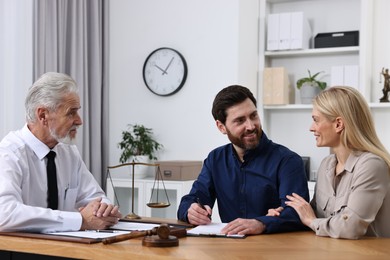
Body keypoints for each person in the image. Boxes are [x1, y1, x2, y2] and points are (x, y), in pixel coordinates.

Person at [177, 85, 309, 235]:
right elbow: (193, 198)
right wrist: (190, 210)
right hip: (228, 249)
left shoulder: (288, 161)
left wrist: (262, 223)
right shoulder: (215, 159)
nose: (251, 126)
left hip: (275, 250)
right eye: (240, 121)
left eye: (253, 116)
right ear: (221, 127)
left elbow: (297, 214)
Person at [0, 72, 122, 233]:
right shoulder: (9, 153)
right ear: (43, 115)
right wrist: (80, 220)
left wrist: (103, 210)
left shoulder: (69, 152)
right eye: (71, 112)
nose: (79, 121)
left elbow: (95, 197)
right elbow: (4, 214)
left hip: (66, 248)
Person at [268, 86, 390, 239]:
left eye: (316, 120)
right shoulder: (326, 165)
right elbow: (313, 211)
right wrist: (285, 214)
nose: (311, 128)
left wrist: (311, 221)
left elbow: (349, 228)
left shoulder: (372, 165)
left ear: (338, 124)